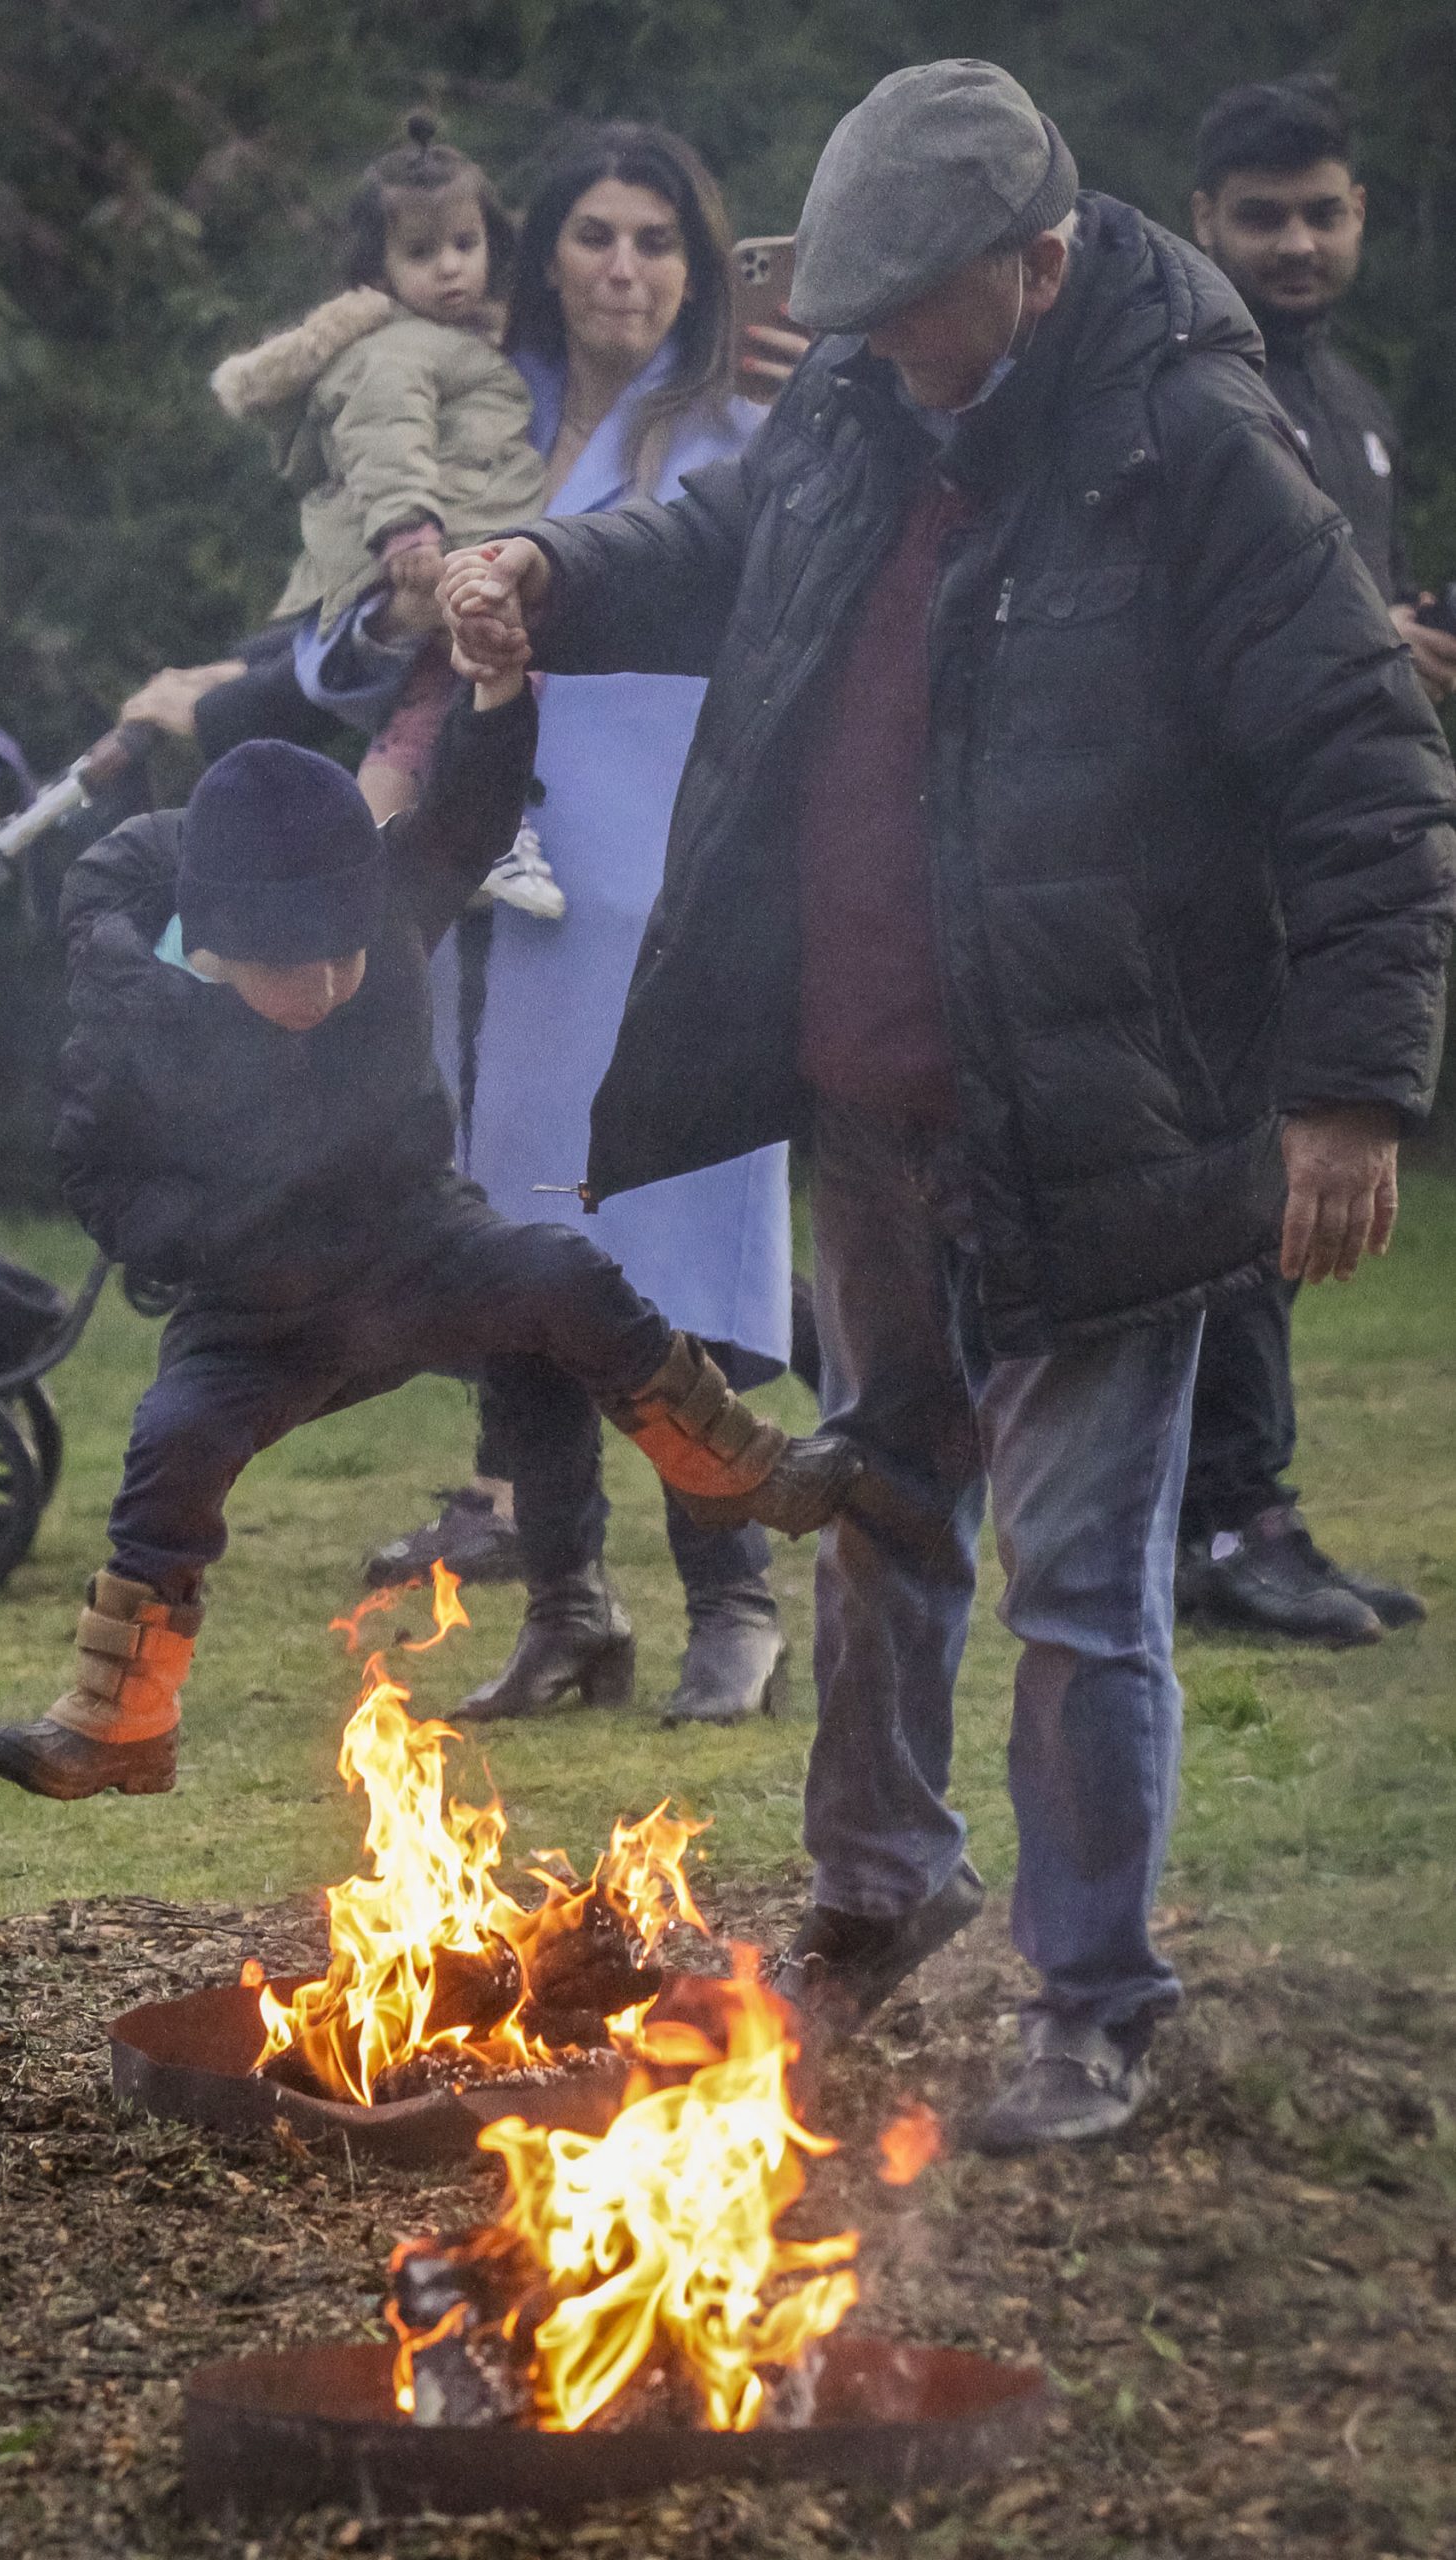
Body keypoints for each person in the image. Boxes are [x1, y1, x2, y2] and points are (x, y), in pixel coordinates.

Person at [442, 62, 1455, 2148]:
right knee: (879, 1502)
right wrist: (549, 565)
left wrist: (1350, 1094)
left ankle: (1091, 1995)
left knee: (1080, 1576)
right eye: (858, 304)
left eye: (915, 304)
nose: (874, 345)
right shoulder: (852, 401)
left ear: (1041, 263)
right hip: (868, 1090)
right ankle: (876, 1888)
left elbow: (1365, 763)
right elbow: (717, 539)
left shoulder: (1191, 439)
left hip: (1110, 1103)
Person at [0, 670, 858, 1801]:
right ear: (216, 942)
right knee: (171, 1449)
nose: (332, 985)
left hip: (418, 1244)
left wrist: (493, 697)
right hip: (253, 1308)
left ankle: (733, 1469)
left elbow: (469, 816)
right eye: (295, 968)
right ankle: (122, 1716)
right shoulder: (130, 1021)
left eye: (344, 954)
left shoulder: (384, 913)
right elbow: (97, 1177)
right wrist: (204, 1238)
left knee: (562, 1272)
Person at [363, 125, 798, 1731]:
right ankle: (565, 1611)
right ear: (543, 249)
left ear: (697, 264)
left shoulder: (753, 434)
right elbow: (363, 579)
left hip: (685, 894)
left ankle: (733, 1606)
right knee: (513, 1258)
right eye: (595, 237)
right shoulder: (485, 417)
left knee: (675, 1253)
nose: (624, 269)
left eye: (655, 243)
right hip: (503, 892)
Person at [1178, 74, 1456, 1645]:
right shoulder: (1187, 388)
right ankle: (1224, 1524)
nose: (1293, 242)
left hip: (1321, 864)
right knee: (1237, 1195)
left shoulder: (1351, 401)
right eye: (1260, 215)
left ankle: (1241, 1511)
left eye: (1321, 211)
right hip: (1212, 866)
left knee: (1273, 1212)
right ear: (1201, 219)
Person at [121, 116, 560, 918]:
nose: (450, 267)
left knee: (425, 708)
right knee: (482, 683)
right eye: (420, 253)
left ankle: (381, 854)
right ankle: (481, 837)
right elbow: (383, 433)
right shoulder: (398, 347)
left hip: (454, 542)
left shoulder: (464, 341)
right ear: (380, 268)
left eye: (464, 243)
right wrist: (409, 530)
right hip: (431, 550)